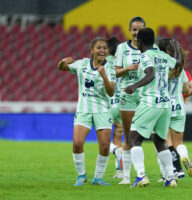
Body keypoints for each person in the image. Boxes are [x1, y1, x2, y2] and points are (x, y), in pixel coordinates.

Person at [124, 27, 181, 187]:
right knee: (160, 141)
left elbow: (150, 74)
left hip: (151, 101)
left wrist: (134, 86)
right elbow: (177, 62)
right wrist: (175, 47)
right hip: (165, 103)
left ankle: (141, 176)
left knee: (134, 138)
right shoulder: (163, 55)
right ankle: (170, 177)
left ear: (139, 41)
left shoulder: (145, 56)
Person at [57, 37, 116, 186]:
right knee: (77, 143)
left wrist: (104, 76)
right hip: (84, 109)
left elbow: (111, 92)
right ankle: (81, 176)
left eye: (104, 48)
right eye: (99, 47)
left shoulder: (110, 68)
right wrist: (63, 61)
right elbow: (61, 67)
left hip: (102, 110)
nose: (102, 50)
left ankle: (98, 178)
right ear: (92, 50)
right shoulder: (82, 64)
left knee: (104, 146)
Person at [157, 38, 192, 180]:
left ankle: (170, 172)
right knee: (178, 143)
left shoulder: (161, 67)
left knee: (165, 142)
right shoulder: (180, 68)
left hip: (164, 106)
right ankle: (184, 156)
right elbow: (188, 88)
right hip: (179, 106)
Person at [114, 16, 146, 184]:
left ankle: (165, 174)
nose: (136, 33)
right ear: (130, 30)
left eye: (140, 30)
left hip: (145, 96)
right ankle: (126, 177)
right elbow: (115, 72)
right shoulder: (121, 48)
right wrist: (128, 68)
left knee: (156, 136)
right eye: (134, 29)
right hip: (127, 94)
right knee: (128, 137)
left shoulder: (150, 48)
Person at [106, 37, 124, 179]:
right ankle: (120, 171)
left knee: (104, 140)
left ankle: (116, 151)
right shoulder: (123, 61)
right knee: (118, 136)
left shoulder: (105, 61)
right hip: (123, 103)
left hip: (108, 103)